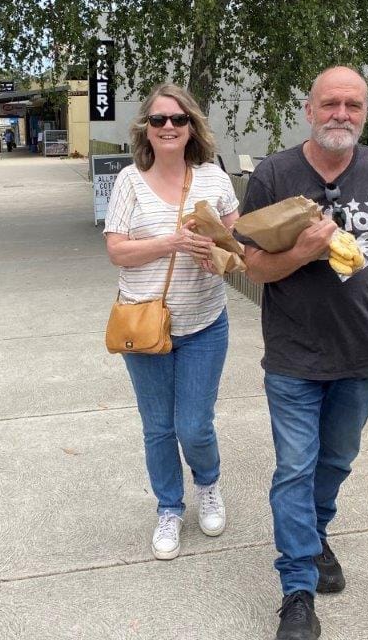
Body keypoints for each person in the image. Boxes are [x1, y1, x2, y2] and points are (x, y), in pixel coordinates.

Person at [239, 66, 368, 640]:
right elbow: (253, 267)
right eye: (330, 103)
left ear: (364, 113)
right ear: (309, 110)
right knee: (294, 469)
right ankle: (297, 592)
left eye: (353, 105)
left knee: (334, 465)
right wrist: (304, 253)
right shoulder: (275, 174)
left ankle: (315, 531)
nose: (342, 114)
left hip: (360, 352)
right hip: (292, 355)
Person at [103, 83, 240, 561]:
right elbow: (117, 248)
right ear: (146, 128)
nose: (167, 127)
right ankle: (168, 507)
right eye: (158, 120)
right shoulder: (128, 181)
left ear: (191, 128)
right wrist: (172, 243)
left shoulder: (214, 181)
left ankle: (208, 483)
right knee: (158, 427)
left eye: (177, 120)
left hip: (205, 323)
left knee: (195, 425)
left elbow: (235, 242)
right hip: (144, 326)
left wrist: (218, 256)